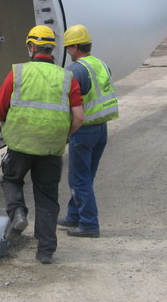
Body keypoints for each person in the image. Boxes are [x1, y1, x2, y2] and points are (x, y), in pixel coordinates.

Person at [0, 25, 84, 264]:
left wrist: (8, 123)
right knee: (46, 197)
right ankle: (45, 251)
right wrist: (65, 135)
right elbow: (79, 117)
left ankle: (18, 213)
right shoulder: (67, 77)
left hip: (20, 144)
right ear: (52, 49)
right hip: (51, 148)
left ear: (31, 47)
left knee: (11, 180)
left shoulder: (18, 73)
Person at [58, 24, 119, 238]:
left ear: (75, 47)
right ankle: (74, 215)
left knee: (79, 179)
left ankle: (89, 224)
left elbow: (68, 104)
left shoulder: (75, 70)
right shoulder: (101, 64)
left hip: (83, 130)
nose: (68, 52)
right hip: (100, 128)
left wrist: (66, 132)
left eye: (68, 48)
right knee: (85, 176)